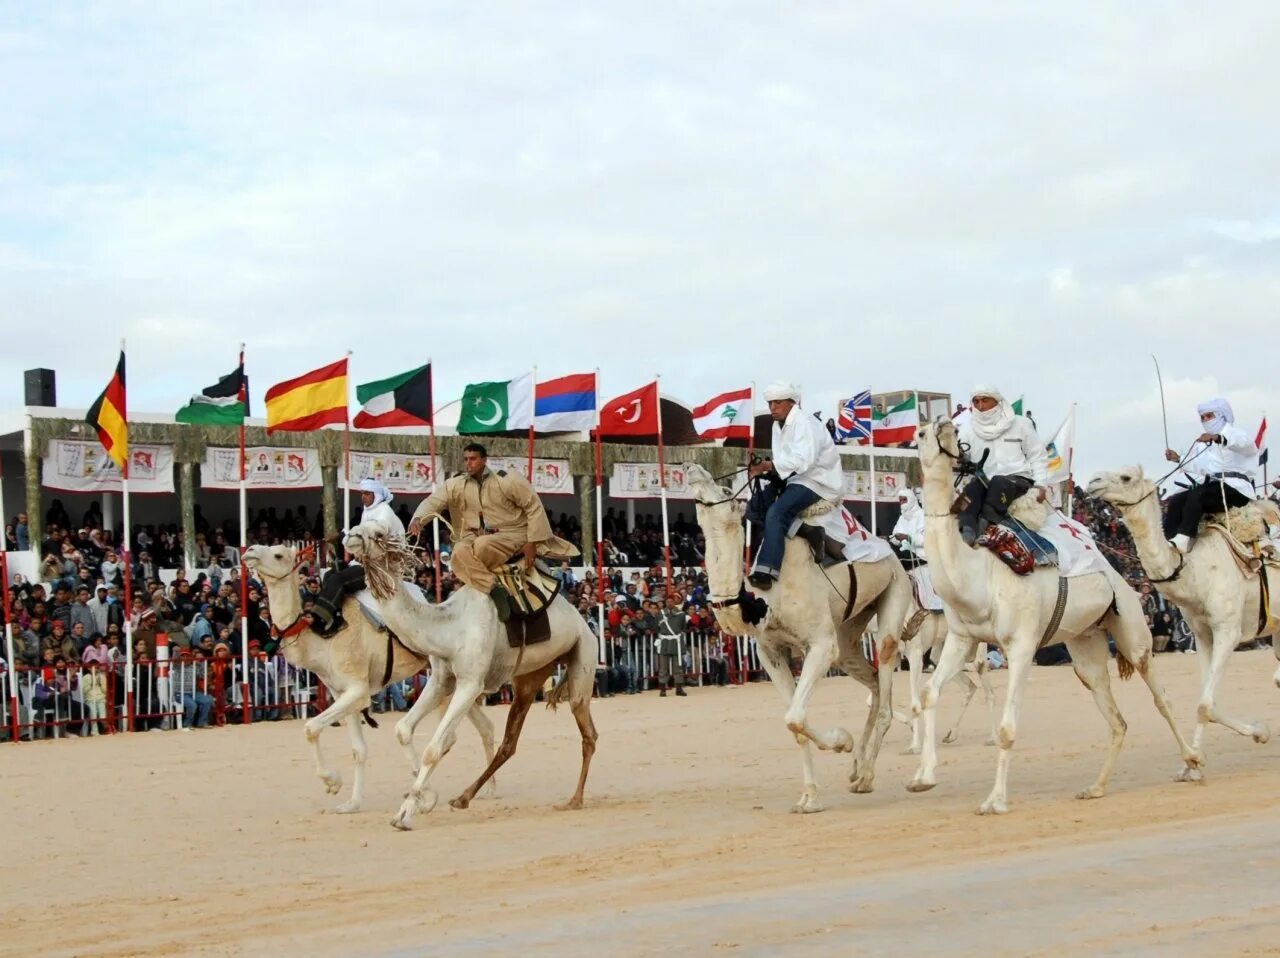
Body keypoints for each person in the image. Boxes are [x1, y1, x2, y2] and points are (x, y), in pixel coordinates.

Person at [407, 443, 578, 622]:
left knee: (481, 545)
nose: (468, 463)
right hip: (475, 534)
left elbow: (533, 506)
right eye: (466, 459)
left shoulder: (506, 479)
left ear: (484, 460)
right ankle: (492, 587)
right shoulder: (456, 484)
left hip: (513, 533)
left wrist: (532, 541)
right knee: (458, 551)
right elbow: (433, 501)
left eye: (473, 459)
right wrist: (419, 518)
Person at [746, 381, 844, 591]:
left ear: (791, 402)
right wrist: (767, 470)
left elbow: (804, 461)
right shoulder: (777, 425)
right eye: (770, 403)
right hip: (795, 478)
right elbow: (785, 460)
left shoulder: (805, 423)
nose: (772, 407)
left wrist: (770, 466)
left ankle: (767, 571)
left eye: (777, 402)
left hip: (817, 481)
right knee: (754, 507)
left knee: (775, 514)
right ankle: (809, 531)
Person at [955, 385, 1049, 545]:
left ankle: (987, 527)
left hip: (1017, 481)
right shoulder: (967, 429)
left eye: (985, 400)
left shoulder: (1021, 424)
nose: (980, 406)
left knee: (999, 482)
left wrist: (1041, 484)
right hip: (983, 480)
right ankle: (967, 531)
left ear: (997, 401)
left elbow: (1037, 455)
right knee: (972, 488)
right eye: (976, 401)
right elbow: (961, 459)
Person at [1162, 397, 1257, 553]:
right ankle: (1168, 542)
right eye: (1202, 417)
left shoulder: (1237, 434)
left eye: (1209, 416)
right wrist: (1178, 458)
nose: (1205, 420)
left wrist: (1218, 438)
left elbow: (1245, 446)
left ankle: (1184, 537)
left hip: (1236, 489)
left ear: (1222, 415)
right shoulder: (1204, 443)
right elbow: (1201, 468)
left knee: (1198, 493)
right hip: (1213, 488)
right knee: (1177, 500)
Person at [311, 478, 404, 637]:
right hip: (365, 562)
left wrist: (344, 537)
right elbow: (360, 535)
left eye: (367, 493)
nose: (363, 497)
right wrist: (342, 536)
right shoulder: (368, 512)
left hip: (380, 567)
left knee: (337, 579)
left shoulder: (384, 513)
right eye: (362, 493)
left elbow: (370, 532)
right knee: (328, 575)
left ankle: (319, 620)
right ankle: (336, 617)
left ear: (376, 494)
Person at [654, 594, 688, 697]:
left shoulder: (681, 614)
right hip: (665, 641)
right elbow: (657, 627)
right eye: (668, 601)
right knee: (663, 667)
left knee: (678, 667)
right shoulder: (660, 613)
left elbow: (682, 627)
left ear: (675, 602)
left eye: (671, 601)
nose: (669, 603)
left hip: (676, 642)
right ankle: (663, 689)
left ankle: (678, 688)